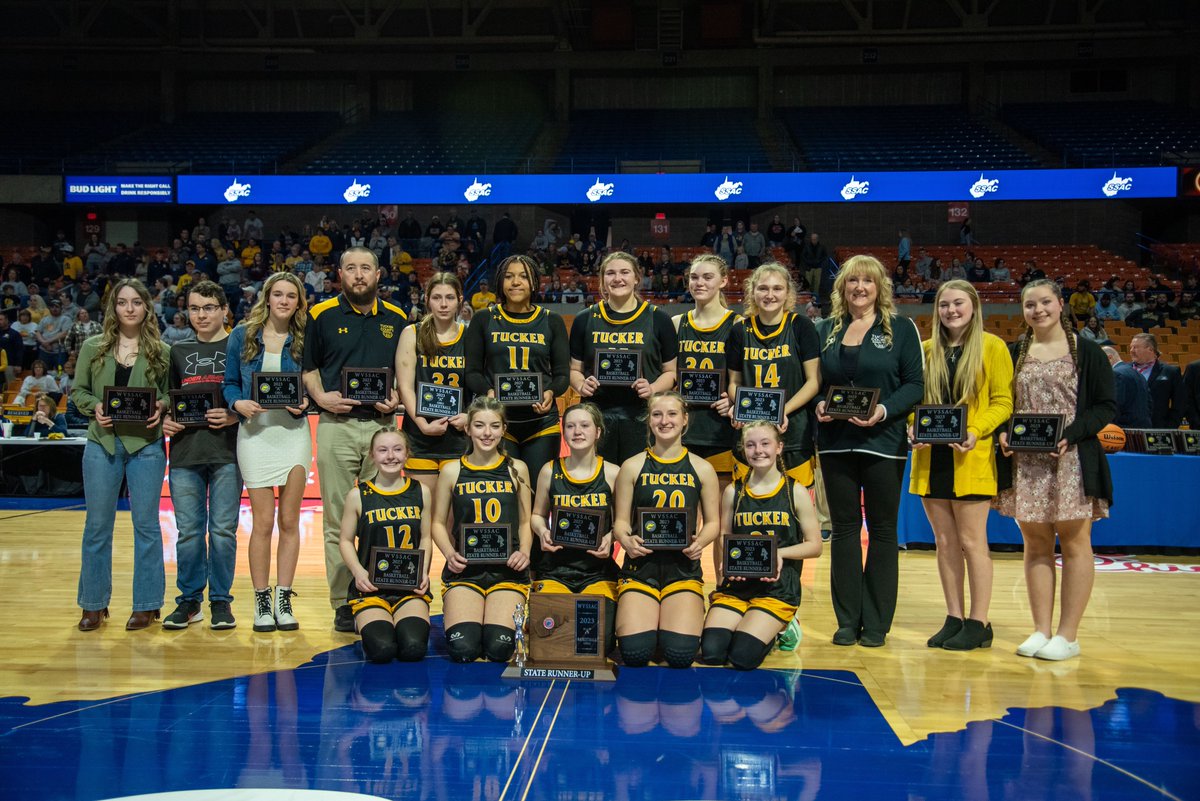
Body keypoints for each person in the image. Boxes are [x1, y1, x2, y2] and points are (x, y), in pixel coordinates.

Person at [995, 279, 1115, 661]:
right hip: (1027, 461)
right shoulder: (1016, 352)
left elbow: (1105, 407)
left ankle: (1068, 635)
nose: (1038, 310)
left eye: (1045, 302)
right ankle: (1040, 630)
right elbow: (1004, 403)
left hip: (1072, 458)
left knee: (1076, 544)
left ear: (1061, 305)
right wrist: (1002, 433)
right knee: (1036, 546)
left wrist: (1072, 433)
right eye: (1030, 304)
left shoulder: (1088, 352)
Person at [814, 255, 924, 647]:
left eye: (868, 281)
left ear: (881, 288)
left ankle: (876, 624)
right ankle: (847, 620)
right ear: (842, 287)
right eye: (852, 281)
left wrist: (882, 411)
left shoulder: (902, 329)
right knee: (843, 531)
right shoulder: (825, 329)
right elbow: (815, 383)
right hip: (835, 443)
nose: (860, 287)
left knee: (881, 531)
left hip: (884, 443)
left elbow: (914, 385)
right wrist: (819, 406)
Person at [303, 246, 406, 632]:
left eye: (366, 268)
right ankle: (344, 600)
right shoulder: (321, 314)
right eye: (351, 268)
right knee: (337, 522)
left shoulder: (396, 317)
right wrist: (320, 396)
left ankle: (386, 590)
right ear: (340, 274)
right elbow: (309, 368)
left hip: (383, 428)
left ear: (379, 275)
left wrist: (398, 395)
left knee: (386, 515)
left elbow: (404, 370)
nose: (359, 275)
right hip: (335, 426)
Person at [908, 281, 1013, 651]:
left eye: (958, 304)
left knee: (972, 542)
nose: (951, 311)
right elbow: (913, 400)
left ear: (974, 307)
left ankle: (979, 622)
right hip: (931, 457)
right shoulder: (924, 350)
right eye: (944, 305)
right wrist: (911, 427)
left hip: (971, 456)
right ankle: (954, 616)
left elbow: (1003, 402)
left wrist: (975, 429)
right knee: (945, 542)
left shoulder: (993, 346)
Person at [71, 279, 170, 631]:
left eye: (136, 302)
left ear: (147, 307)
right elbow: (78, 392)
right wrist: (94, 406)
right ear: (113, 308)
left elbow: (171, 395)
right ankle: (93, 605)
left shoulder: (161, 350)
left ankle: (147, 605)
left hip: (146, 446)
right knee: (97, 527)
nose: (129, 308)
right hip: (102, 444)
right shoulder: (93, 348)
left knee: (146, 527)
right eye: (122, 302)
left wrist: (162, 404)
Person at [225, 273, 312, 632]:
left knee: (289, 522)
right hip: (255, 435)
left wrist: (304, 404)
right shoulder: (241, 335)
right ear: (267, 296)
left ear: (299, 302)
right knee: (262, 523)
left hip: (293, 434)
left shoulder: (307, 338)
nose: (284, 301)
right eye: (278, 294)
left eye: (291, 295)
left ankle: (284, 596)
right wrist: (237, 402)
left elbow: (313, 385)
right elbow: (229, 382)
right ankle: (261, 599)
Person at [699, 422, 822, 669]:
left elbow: (815, 545)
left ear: (779, 447)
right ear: (743, 450)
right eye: (750, 445)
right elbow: (725, 536)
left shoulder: (794, 491)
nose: (758, 451)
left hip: (776, 588)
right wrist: (728, 567)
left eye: (765, 443)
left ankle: (786, 627)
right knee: (712, 653)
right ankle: (749, 620)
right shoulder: (734, 492)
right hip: (739, 584)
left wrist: (778, 554)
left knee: (742, 657)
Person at [611, 391, 720, 669]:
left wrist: (701, 543)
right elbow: (620, 522)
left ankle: (671, 619)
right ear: (649, 421)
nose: (664, 420)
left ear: (685, 420)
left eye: (672, 414)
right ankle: (653, 622)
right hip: (640, 568)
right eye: (657, 414)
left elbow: (713, 524)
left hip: (682, 569)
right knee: (635, 654)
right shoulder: (632, 466)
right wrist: (626, 539)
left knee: (680, 655)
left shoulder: (703, 468)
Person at [161, 281, 242, 630]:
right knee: (189, 532)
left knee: (223, 531)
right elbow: (166, 395)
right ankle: (189, 601)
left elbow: (251, 393)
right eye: (194, 308)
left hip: (228, 451)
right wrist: (164, 417)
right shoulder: (176, 351)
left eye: (209, 307)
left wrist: (235, 414)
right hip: (185, 452)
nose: (201, 314)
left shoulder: (239, 345)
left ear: (224, 309)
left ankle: (221, 602)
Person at [431, 397, 533, 663]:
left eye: (494, 426)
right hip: (466, 571)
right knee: (463, 649)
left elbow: (525, 521)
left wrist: (524, 552)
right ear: (468, 429)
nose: (487, 433)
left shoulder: (517, 469)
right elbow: (437, 523)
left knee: (499, 649)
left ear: (503, 429)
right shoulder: (452, 471)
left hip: (507, 571)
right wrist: (449, 553)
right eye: (479, 425)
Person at [464, 255, 570, 484]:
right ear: (500, 282)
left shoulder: (552, 321)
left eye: (523, 276)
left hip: (541, 423)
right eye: (509, 276)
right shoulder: (484, 319)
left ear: (534, 283)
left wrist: (550, 393)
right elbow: (471, 372)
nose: (515, 282)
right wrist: (490, 393)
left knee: (538, 495)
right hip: (499, 422)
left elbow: (562, 375)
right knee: (504, 493)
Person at [570, 252, 679, 466]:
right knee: (599, 481)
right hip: (598, 413)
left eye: (624, 272)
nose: (617, 278)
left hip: (641, 413)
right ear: (602, 280)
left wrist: (653, 388)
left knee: (637, 482)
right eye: (610, 273)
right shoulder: (585, 319)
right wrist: (581, 385)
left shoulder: (659, 318)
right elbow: (574, 369)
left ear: (637, 278)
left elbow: (671, 372)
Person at [530, 402, 620, 652]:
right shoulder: (550, 471)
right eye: (570, 426)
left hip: (597, 572)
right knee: (547, 639)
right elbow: (537, 515)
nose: (577, 431)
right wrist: (542, 531)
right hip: (556, 569)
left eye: (584, 425)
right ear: (563, 432)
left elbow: (623, 523)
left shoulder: (613, 473)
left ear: (598, 432)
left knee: (598, 643)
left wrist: (611, 538)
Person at [337, 427, 432, 663]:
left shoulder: (421, 491)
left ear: (407, 453)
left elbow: (425, 537)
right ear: (372, 455)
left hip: (409, 588)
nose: (391, 456)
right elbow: (345, 541)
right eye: (383, 450)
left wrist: (424, 571)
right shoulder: (358, 495)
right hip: (372, 589)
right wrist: (358, 572)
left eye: (397, 449)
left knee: (413, 648)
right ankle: (366, 620)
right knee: (382, 650)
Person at [727, 262, 821, 486]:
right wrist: (738, 406)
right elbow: (734, 382)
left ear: (788, 293)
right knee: (749, 503)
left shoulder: (801, 326)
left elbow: (813, 382)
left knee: (797, 504)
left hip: (793, 431)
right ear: (752, 292)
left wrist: (782, 412)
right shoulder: (739, 330)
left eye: (777, 288)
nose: (770, 295)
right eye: (763, 288)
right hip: (750, 432)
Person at [396, 273, 469, 496]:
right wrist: (422, 424)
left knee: (449, 521)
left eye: (450, 297)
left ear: (460, 299)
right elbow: (405, 387)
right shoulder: (412, 333)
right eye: (437, 297)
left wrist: (470, 417)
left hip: (458, 437)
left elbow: (482, 385)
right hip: (420, 436)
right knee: (425, 516)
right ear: (427, 299)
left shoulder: (470, 335)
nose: (444, 304)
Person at [672, 255, 739, 482]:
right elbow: (668, 375)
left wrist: (734, 401)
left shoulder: (738, 324)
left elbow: (745, 376)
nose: (699, 283)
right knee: (684, 508)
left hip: (721, 428)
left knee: (720, 510)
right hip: (682, 428)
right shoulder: (676, 323)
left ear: (723, 281)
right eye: (694, 277)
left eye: (708, 277)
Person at [1129, 333, 1184, 428]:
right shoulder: (1124, 370)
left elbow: (1180, 403)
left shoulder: (1170, 371)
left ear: (1150, 349)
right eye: (1131, 347)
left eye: (1136, 347)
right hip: (1128, 427)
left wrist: (1170, 426)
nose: (1131, 351)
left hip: (1158, 428)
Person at [1102, 346, 1152, 429]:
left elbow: (1115, 405)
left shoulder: (1115, 373)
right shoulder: (1138, 373)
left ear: (1109, 358)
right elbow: (1149, 403)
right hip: (1144, 428)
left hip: (1123, 429)